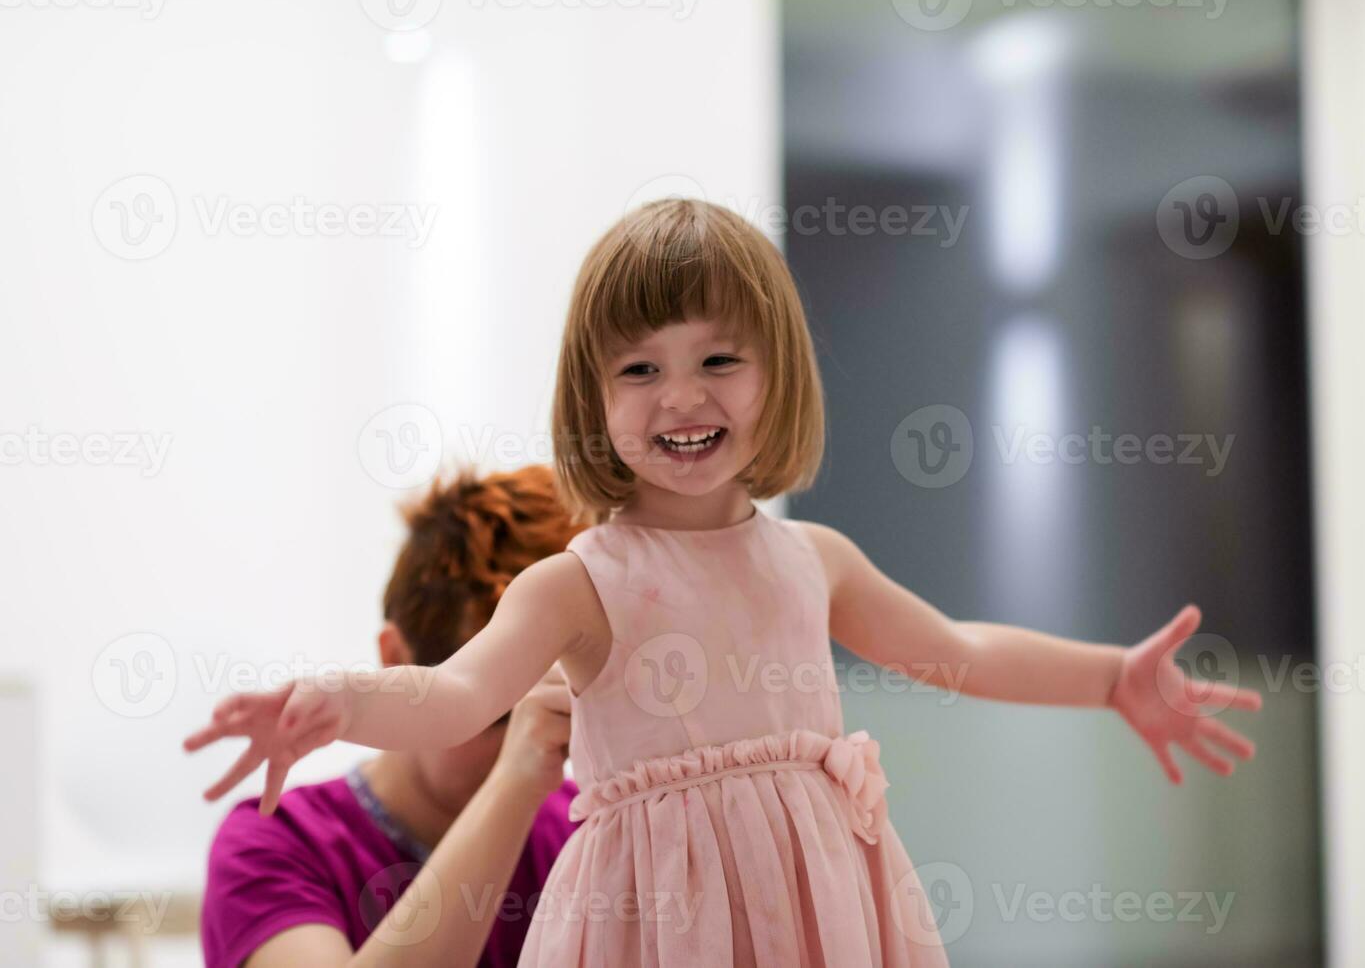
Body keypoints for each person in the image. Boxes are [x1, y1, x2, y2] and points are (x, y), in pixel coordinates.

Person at [185, 198, 1264, 967]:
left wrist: (1112, 676)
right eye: (638, 367)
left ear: (776, 371)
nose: (678, 395)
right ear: (592, 399)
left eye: (717, 359)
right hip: (650, 922)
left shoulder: (812, 560)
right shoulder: (581, 581)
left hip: (817, 907)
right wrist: (334, 700)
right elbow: (457, 692)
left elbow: (961, 650)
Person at [197, 465, 585, 967]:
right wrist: (514, 784)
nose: (536, 743)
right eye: (500, 717)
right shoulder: (273, 846)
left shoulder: (583, 830)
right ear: (397, 660)